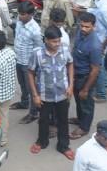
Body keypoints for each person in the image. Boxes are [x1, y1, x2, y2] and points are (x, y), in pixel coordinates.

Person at [27, 25, 75, 159]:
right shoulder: (37, 53)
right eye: (54, 41)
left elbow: (70, 64)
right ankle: (42, 141)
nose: (57, 44)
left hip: (63, 94)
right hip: (44, 95)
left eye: (59, 40)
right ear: (46, 40)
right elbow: (30, 73)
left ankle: (63, 146)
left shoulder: (65, 50)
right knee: (43, 119)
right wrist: (35, 95)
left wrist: (71, 85)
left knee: (63, 120)